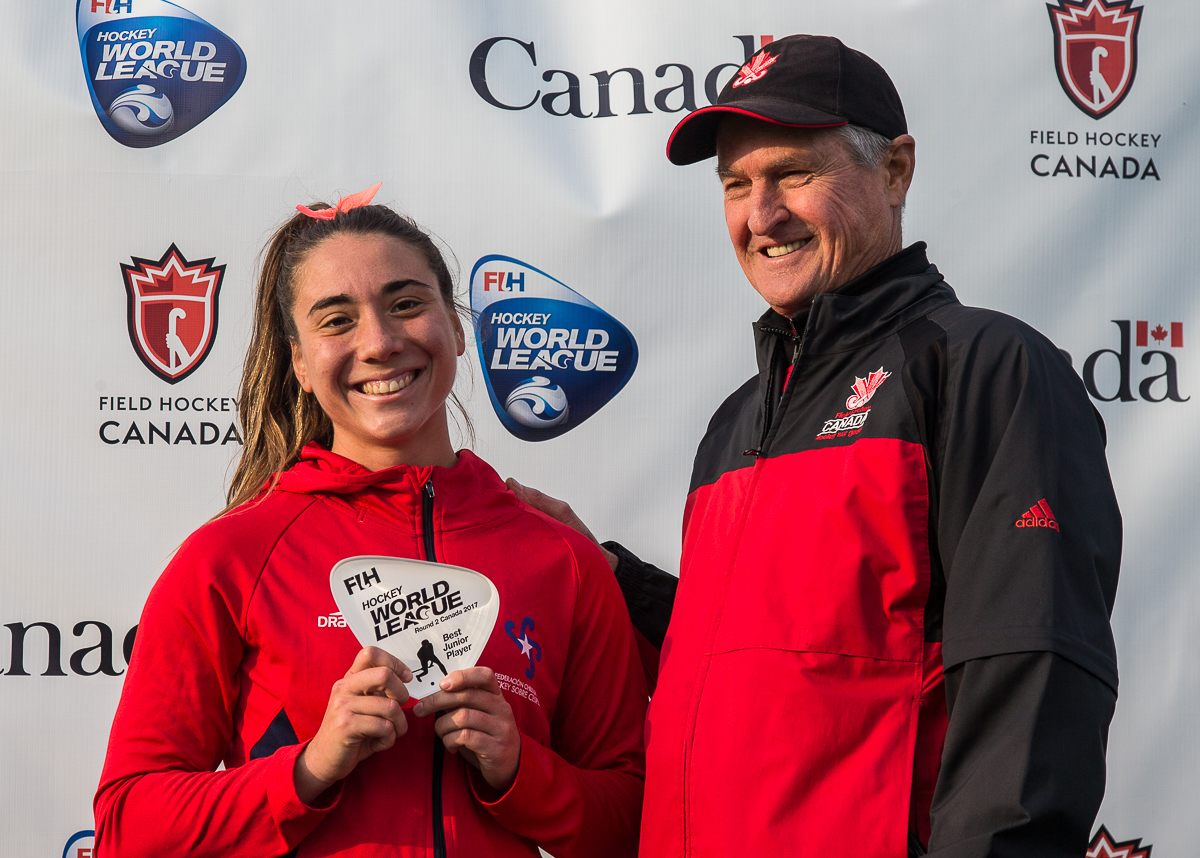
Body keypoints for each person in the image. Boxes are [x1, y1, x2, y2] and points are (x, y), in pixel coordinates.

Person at [510, 35, 1121, 858]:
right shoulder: (736, 421)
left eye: (795, 174)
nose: (761, 214)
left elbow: (1033, 679)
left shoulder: (984, 369)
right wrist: (614, 578)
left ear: (896, 171)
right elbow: (768, 662)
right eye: (736, 184)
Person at [93, 185, 647, 857]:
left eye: (407, 305)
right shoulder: (230, 557)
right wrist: (309, 769)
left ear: (457, 326)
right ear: (298, 361)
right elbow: (128, 826)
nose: (381, 342)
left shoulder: (563, 559)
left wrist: (523, 772)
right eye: (336, 320)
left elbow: (632, 824)